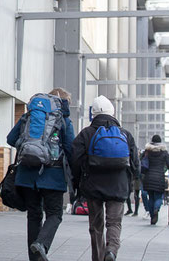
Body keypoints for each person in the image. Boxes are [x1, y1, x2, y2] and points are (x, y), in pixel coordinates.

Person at [7, 88, 75, 261]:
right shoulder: (64, 119)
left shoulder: (29, 116)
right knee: (55, 214)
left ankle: (34, 257)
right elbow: (70, 149)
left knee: (34, 215)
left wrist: (30, 150)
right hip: (52, 176)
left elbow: (10, 138)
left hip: (27, 175)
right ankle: (42, 244)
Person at [71, 95, 139, 261]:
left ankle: (98, 257)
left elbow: (75, 160)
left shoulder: (86, 133)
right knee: (114, 222)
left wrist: (77, 184)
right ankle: (111, 251)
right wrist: (130, 182)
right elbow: (135, 163)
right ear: (113, 112)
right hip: (118, 185)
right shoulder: (126, 134)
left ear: (92, 114)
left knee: (96, 225)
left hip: (93, 185)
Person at [141, 134, 169, 225]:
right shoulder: (164, 152)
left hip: (148, 177)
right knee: (159, 197)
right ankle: (156, 209)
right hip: (159, 177)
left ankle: (152, 217)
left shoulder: (147, 152)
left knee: (151, 197)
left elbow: (141, 162)